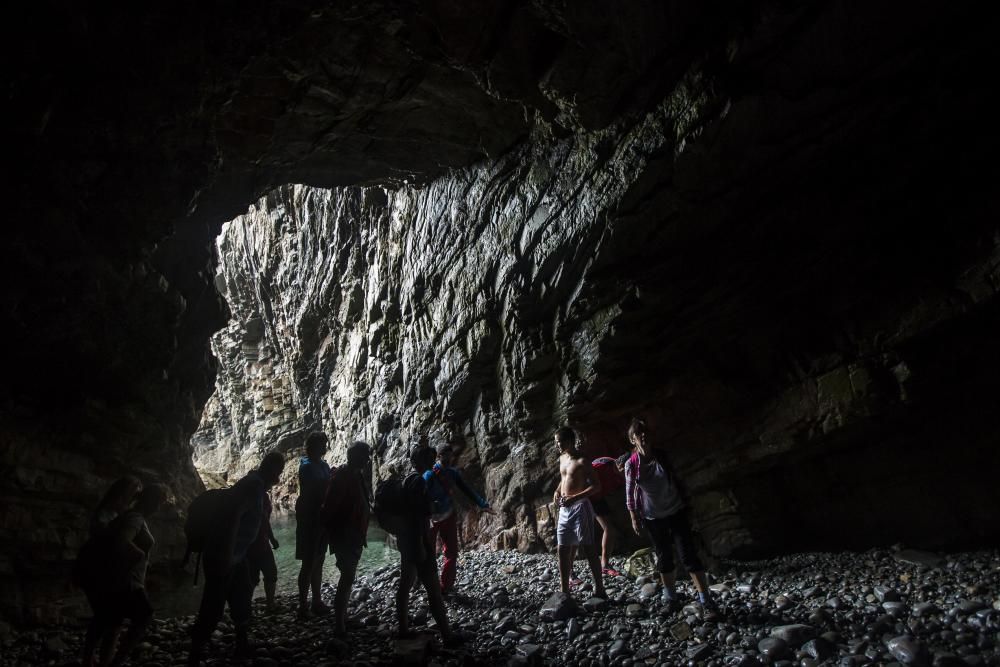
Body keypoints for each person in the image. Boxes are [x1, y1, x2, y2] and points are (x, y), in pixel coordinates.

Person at [189, 451, 285, 663]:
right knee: (213, 608)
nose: (278, 479)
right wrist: (227, 555)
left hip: (237, 556)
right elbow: (232, 518)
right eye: (278, 473)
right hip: (224, 555)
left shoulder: (254, 483)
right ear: (271, 469)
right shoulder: (253, 485)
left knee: (242, 597)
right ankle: (195, 653)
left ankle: (242, 644)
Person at [624, 416, 718, 618]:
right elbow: (629, 492)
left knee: (688, 556)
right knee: (664, 557)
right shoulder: (631, 464)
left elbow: (678, 479)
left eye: (645, 432)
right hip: (652, 517)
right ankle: (670, 599)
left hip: (676, 511)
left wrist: (689, 505)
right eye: (638, 433)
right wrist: (634, 517)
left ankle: (706, 600)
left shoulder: (663, 456)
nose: (643, 436)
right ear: (632, 439)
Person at [396, 444, 461, 645]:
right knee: (433, 591)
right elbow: (420, 518)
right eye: (430, 459)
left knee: (405, 585)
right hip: (418, 542)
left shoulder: (407, 481)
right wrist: (423, 547)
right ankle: (447, 636)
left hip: (407, 541)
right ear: (422, 462)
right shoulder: (420, 483)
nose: (434, 462)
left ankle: (403, 628)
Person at [79, 476, 142, 667]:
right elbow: (107, 542)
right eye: (134, 492)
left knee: (106, 619)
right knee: (108, 620)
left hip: (101, 571)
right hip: (101, 572)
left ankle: (93, 658)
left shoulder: (112, 512)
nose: (135, 496)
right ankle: (96, 660)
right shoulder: (109, 514)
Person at [104, 483, 170, 667]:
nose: (159, 508)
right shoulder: (135, 519)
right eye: (159, 503)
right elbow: (121, 541)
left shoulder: (129, 516)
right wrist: (139, 556)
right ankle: (117, 661)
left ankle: (106, 662)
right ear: (152, 501)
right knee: (145, 616)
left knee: (114, 622)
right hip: (129, 580)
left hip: (119, 578)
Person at [423, 443, 494, 595]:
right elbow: (420, 496)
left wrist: (483, 504)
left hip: (448, 515)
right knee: (427, 553)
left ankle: (445, 586)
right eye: (445, 456)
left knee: (451, 552)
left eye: (450, 455)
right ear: (438, 456)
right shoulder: (429, 475)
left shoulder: (453, 473)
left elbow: (467, 489)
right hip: (431, 519)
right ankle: (429, 584)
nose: (449, 458)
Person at [321, 441, 372, 635]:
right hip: (345, 534)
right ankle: (339, 625)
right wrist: (326, 530)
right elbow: (330, 507)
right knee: (347, 576)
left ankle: (343, 618)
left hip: (354, 533)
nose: (368, 460)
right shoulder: (343, 476)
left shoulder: (355, 474)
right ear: (357, 457)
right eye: (365, 456)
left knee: (348, 577)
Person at [552, 427, 607, 599]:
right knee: (562, 548)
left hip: (580, 508)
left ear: (569, 441)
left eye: (560, 442)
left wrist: (575, 497)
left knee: (589, 548)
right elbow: (564, 479)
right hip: (564, 508)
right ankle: (564, 589)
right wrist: (557, 490)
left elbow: (596, 486)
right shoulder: (561, 458)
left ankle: (600, 588)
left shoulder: (583, 461)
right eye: (556, 442)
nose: (557, 445)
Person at [561, 453, 630, 584]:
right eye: (624, 470)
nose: (625, 474)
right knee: (575, 538)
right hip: (582, 498)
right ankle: (570, 573)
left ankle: (605, 565)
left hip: (598, 498)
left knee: (609, 529)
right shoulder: (602, 464)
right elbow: (580, 477)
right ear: (620, 465)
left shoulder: (623, 476)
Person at [296, 431, 332, 618]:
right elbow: (316, 490)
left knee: (319, 560)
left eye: (325, 444)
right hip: (310, 519)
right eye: (322, 444)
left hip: (322, 518)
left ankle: (316, 600)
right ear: (312, 447)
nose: (325, 447)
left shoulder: (323, 465)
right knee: (309, 563)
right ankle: (303, 606)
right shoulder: (307, 466)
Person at [247, 490, 279, 613]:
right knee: (270, 573)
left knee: (251, 577)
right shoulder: (262, 496)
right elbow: (264, 519)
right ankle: (270, 604)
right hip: (261, 543)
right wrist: (272, 539)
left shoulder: (246, 495)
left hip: (248, 544)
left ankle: (246, 606)